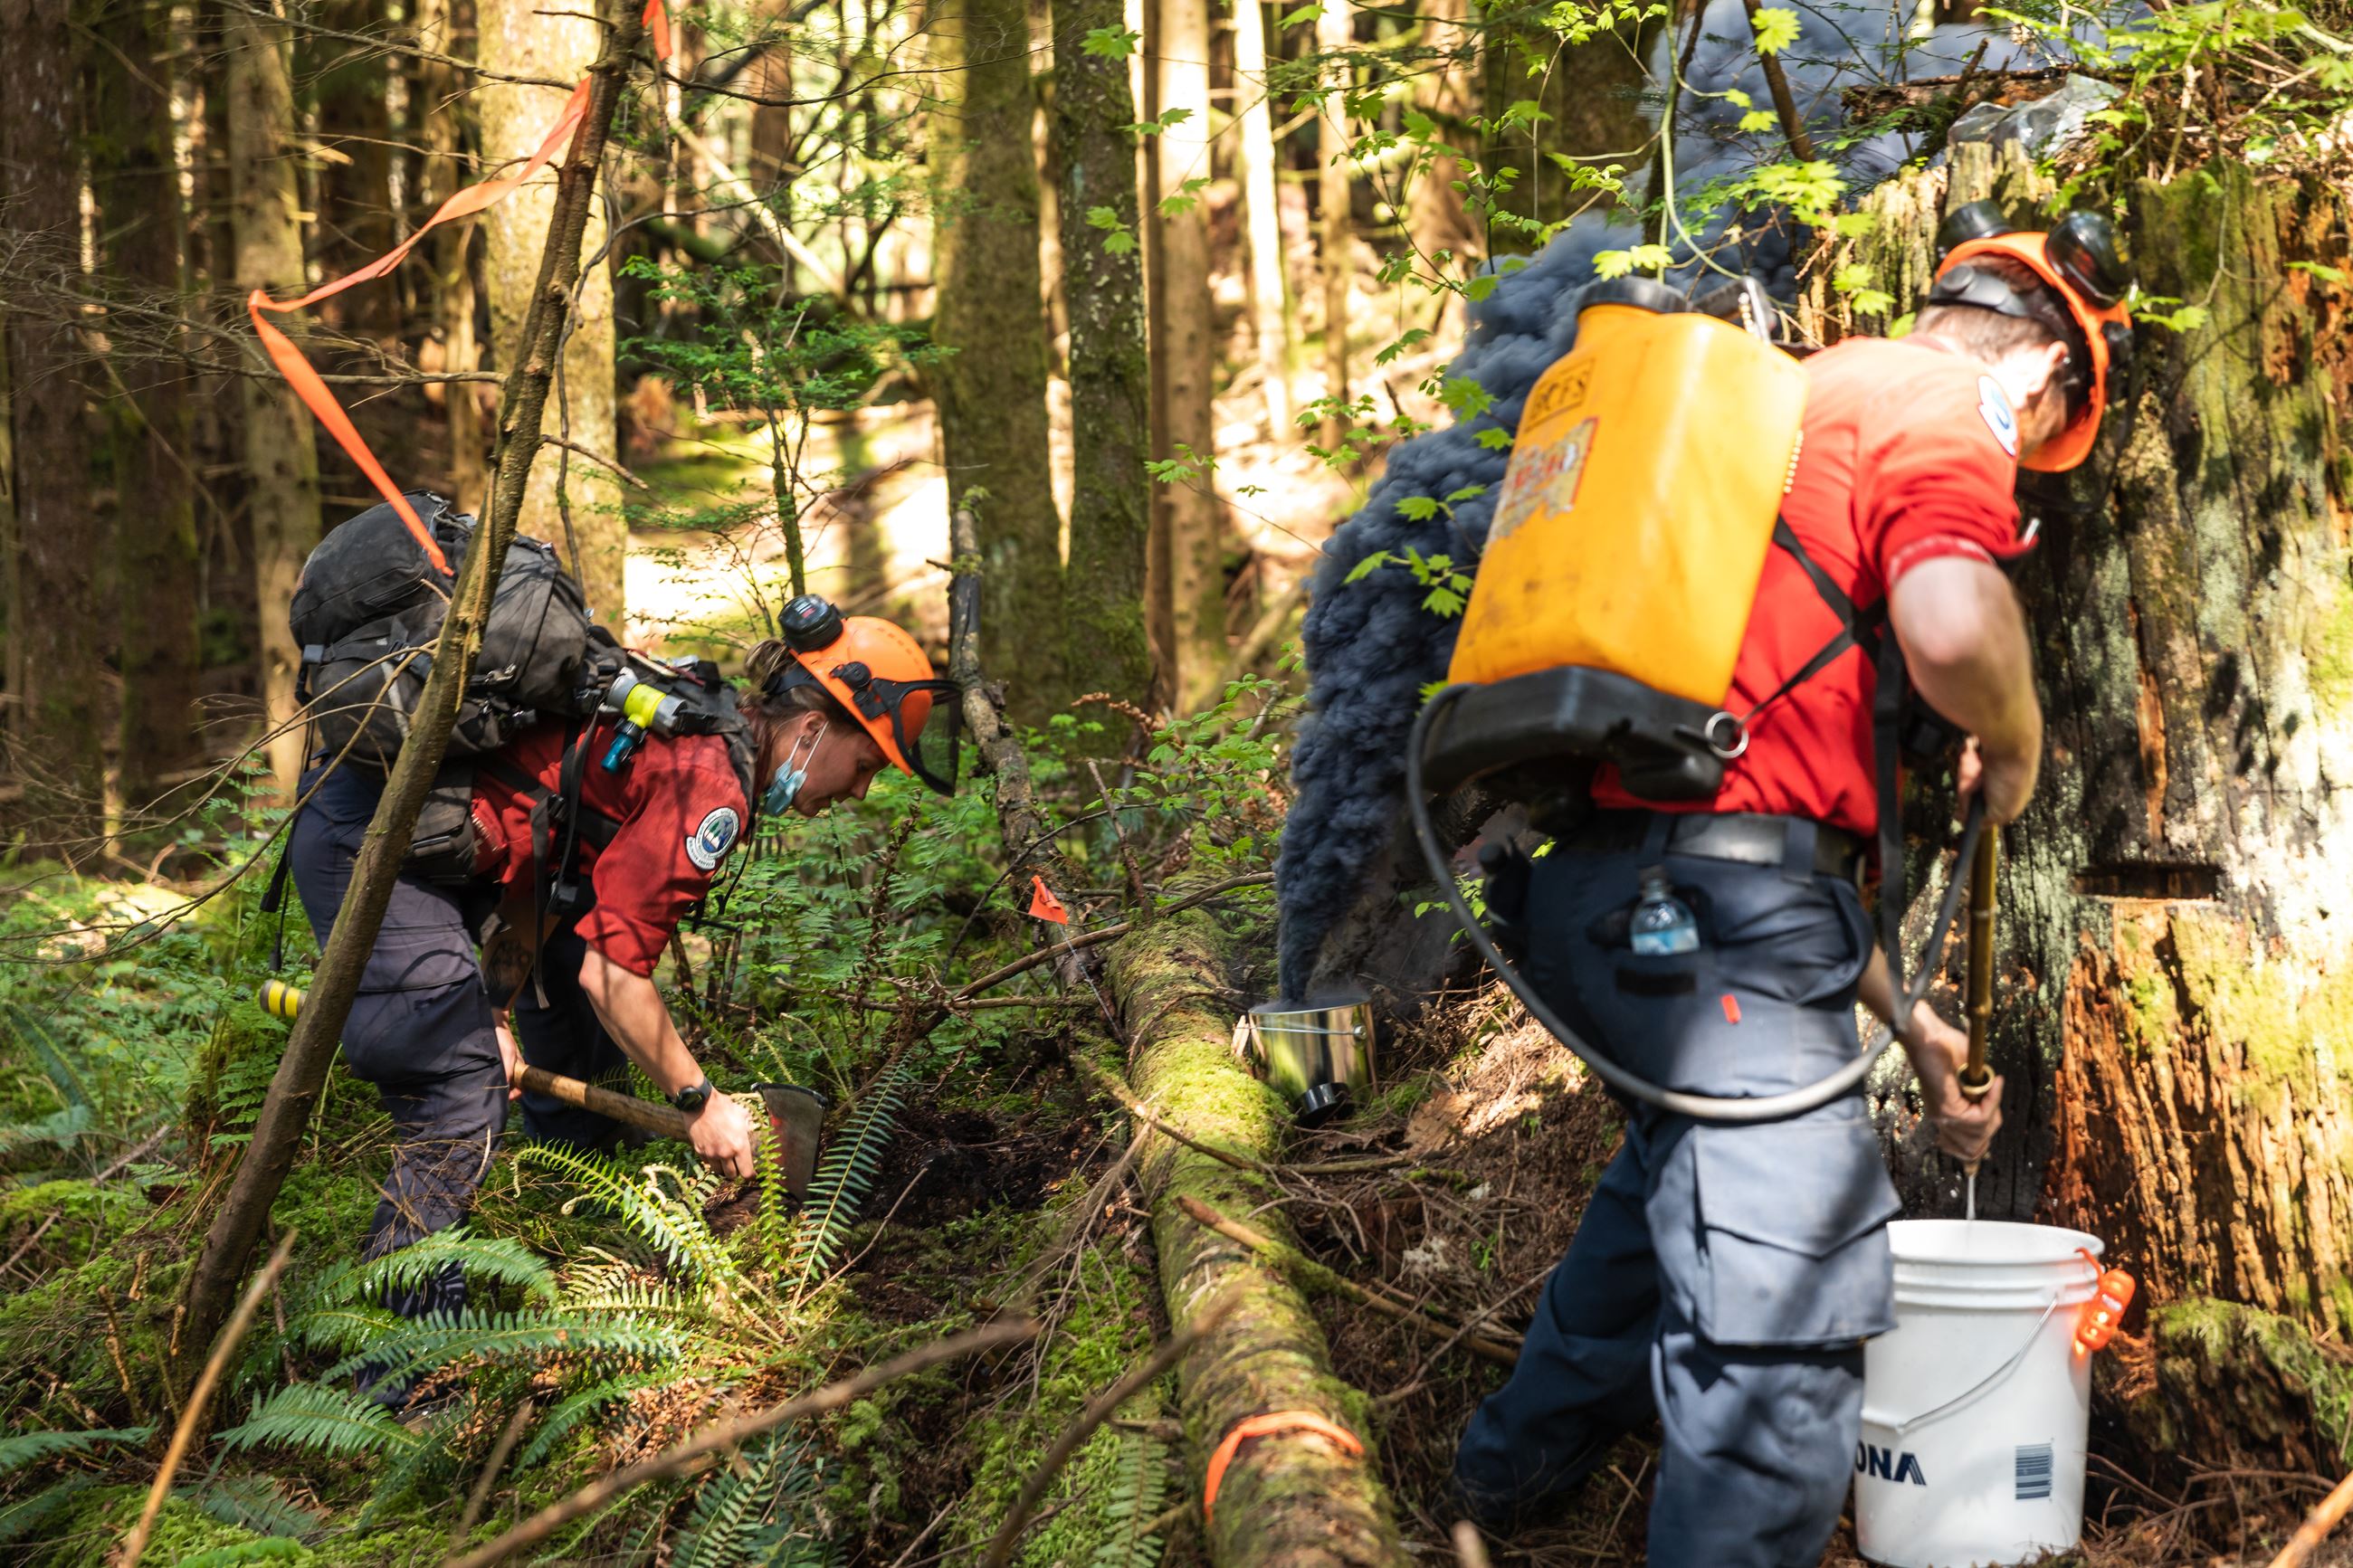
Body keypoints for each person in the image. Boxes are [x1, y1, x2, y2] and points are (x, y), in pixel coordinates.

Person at [1450, 211, 2133, 1562]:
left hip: (1616, 907)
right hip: (1709, 930)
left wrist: (1907, 1023)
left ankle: (1483, 1498)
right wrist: (2019, 736)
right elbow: (1950, 624)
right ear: (2049, 366)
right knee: (1782, 1342)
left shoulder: (1796, 400)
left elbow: (1762, 808)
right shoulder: (1948, 404)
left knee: (1656, 1236)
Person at [285, 594, 954, 1355]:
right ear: (811, 729)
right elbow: (616, 977)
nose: (859, 790)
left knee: (546, 1020)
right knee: (455, 1096)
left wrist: (497, 1010)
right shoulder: (710, 783)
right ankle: (397, 1369)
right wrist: (701, 1103)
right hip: (371, 836)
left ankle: (569, 1253)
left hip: (431, 838)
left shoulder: (701, 729)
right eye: (864, 764)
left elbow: (554, 869)